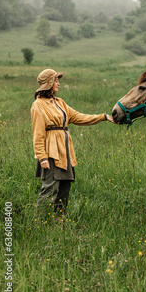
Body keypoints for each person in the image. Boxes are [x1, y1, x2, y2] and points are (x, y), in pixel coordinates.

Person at [31, 68, 114, 220]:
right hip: (50, 153)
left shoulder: (60, 102)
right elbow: (38, 133)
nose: (59, 84)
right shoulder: (38, 105)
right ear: (49, 83)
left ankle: (58, 220)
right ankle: (40, 223)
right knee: (49, 189)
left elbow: (77, 117)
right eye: (56, 80)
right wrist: (42, 157)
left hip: (64, 152)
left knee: (64, 189)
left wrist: (103, 117)